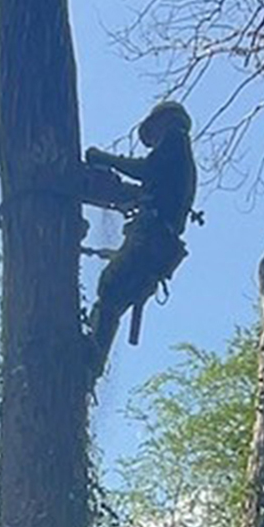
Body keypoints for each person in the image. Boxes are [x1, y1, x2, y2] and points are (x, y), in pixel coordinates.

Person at [82, 100, 197, 369]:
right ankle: (92, 362)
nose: (152, 140)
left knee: (110, 287)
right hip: (159, 250)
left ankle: (90, 359)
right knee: (115, 299)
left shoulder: (176, 139)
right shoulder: (178, 167)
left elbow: (146, 170)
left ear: (165, 120)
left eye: (153, 132)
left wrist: (104, 158)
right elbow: (154, 188)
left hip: (150, 239)